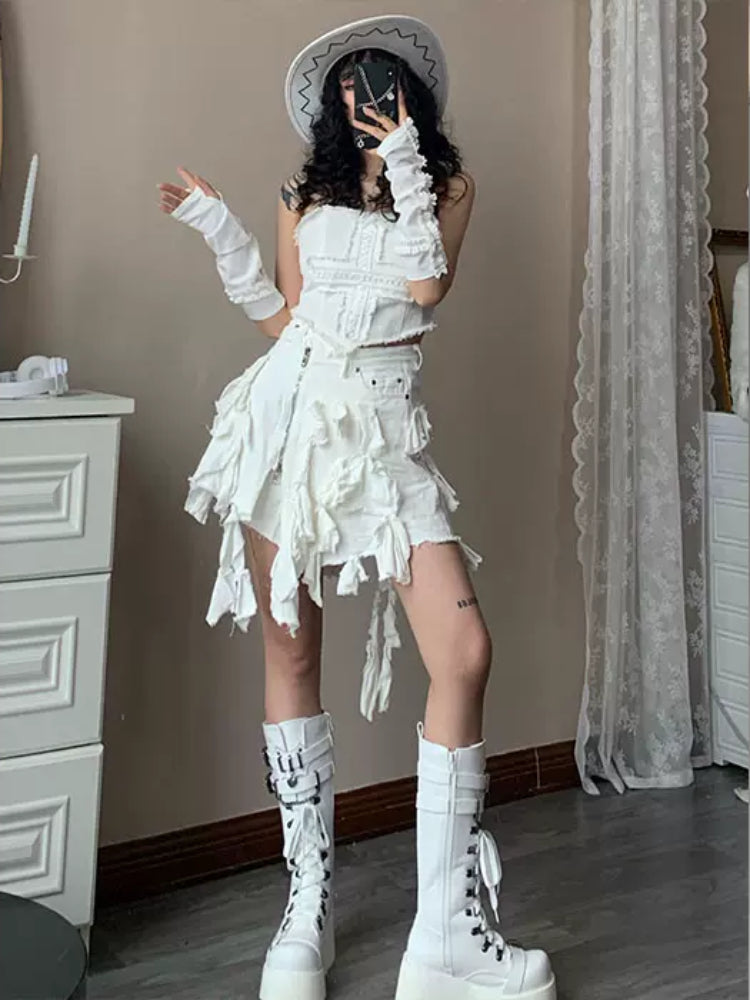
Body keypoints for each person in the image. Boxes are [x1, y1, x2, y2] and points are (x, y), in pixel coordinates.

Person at [158, 15, 556, 1000]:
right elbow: (286, 319)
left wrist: (405, 159)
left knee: (463, 651)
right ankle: (307, 911)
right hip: (290, 423)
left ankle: (444, 941)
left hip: (385, 431)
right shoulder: (302, 195)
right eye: (349, 87)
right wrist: (222, 232)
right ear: (329, 105)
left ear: (409, 91)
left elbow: (424, 284)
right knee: (292, 652)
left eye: (380, 82)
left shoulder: (447, 189)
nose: (364, 98)